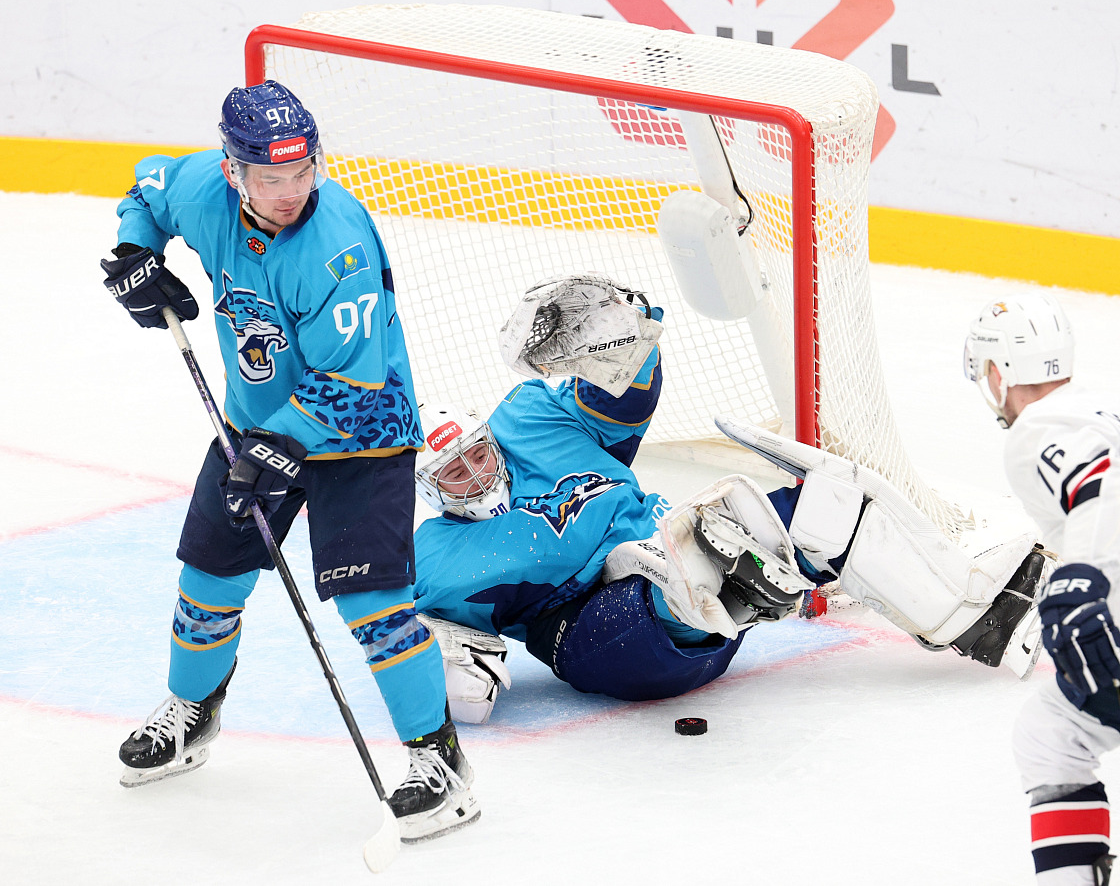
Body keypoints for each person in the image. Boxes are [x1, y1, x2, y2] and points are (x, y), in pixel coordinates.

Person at [404, 273, 1050, 725]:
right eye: (454, 474)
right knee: (691, 559)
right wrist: (451, 667)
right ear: (430, 491)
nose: (476, 473)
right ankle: (720, 581)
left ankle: (983, 620)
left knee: (828, 503)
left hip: (677, 555)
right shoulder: (435, 560)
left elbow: (623, 398)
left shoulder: (529, 418)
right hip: (602, 636)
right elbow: (449, 676)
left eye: (477, 453)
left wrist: (619, 341)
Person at [99, 80, 477, 844]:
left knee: (373, 605)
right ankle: (192, 714)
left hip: (362, 431)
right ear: (234, 171)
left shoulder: (336, 245)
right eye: (271, 177)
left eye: (303, 171)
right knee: (208, 579)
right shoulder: (203, 188)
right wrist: (137, 252)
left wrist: (278, 445)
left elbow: (353, 380)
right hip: (255, 426)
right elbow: (146, 189)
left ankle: (439, 761)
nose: (291, 191)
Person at [965, 293, 1120, 885]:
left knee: (1053, 738)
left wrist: (1082, 583)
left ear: (1000, 372)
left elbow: (1103, 484)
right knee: (1052, 731)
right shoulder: (1099, 408)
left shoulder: (1037, 429)